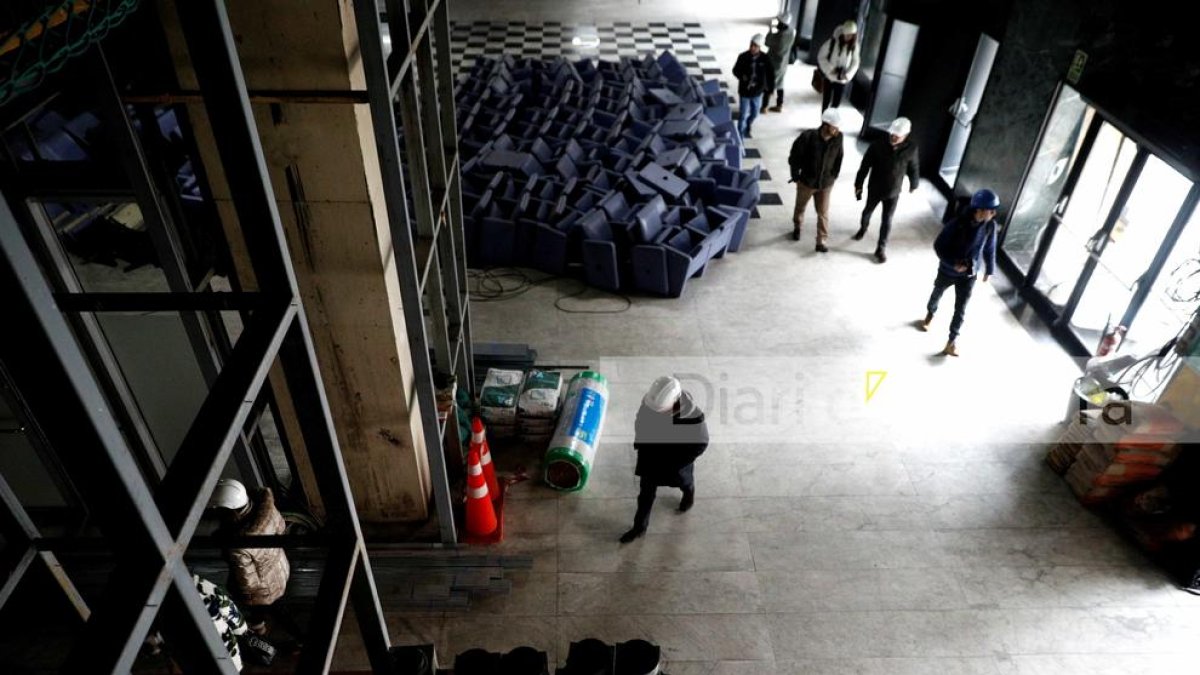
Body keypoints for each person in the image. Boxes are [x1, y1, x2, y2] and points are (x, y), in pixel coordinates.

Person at [620, 376, 710, 543]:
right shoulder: (651, 403)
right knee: (645, 495)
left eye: (659, 410)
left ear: (674, 403)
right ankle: (639, 528)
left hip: (675, 465)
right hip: (650, 459)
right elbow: (640, 419)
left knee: (684, 483)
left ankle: (688, 495)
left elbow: (701, 444)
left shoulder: (694, 419)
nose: (654, 411)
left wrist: (677, 462)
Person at [919, 189, 1001, 356]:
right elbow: (939, 246)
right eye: (990, 209)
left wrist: (989, 269)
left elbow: (990, 249)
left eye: (994, 210)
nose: (993, 213)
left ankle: (952, 341)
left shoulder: (990, 226)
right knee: (937, 293)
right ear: (979, 209)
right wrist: (953, 263)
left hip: (969, 274)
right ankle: (930, 313)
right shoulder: (957, 223)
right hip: (948, 271)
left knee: (961, 309)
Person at [209, 478, 291, 636]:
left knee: (271, 608)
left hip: (264, 587)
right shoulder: (266, 509)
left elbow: (247, 582)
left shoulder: (239, 544)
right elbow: (281, 526)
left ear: (229, 511)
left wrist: (244, 597)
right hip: (279, 568)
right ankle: (259, 625)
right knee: (272, 608)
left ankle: (294, 637)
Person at [853, 117, 920, 263]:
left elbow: (913, 167)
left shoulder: (911, 149)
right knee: (867, 212)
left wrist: (914, 184)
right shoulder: (877, 145)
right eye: (892, 134)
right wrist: (858, 184)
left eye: (897, 135)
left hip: (893, 192)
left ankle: (880, 249)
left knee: (887, 220)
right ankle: (863, 228)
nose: (893, 137)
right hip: (875, 188)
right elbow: (864, 166)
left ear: (906, 135)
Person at [788, 108, 844, 252]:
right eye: (834, 127)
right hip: (807, 182)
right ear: (825, 125)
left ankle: (821, 241)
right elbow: (794, 157)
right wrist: (796, 176)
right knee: (800, 207)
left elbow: (839, 158)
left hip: (825, 184)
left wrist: (834, 176)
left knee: (823, 213)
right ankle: (797, 226)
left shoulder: (838, 138)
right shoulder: (807, 137)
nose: (837, 130)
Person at [732, 34, 775, 139]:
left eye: (755, 46)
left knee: (755, 113)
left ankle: (748, 125)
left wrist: (770, 89)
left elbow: (771, 74)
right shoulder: (743, 57)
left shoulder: (765, 59)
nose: (752, 48)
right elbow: (735, 70)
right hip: (745, 92)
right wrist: (742, 76)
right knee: (742, 115)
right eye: (751, 45)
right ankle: (740, 136)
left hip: (757, 92)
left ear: (759, 47)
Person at [817, 20, 860, 111]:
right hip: (829, 77)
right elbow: (821, 56)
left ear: (853, 35)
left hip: (842, 79)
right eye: (846, 34)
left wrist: (848, 75)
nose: (847, 37)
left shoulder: (854, 46)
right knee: (826, 102)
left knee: (836, 104)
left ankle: (830, 124)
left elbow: (855, 62)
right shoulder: (832, 42)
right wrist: (830, 69)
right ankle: (824, 124)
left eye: (850, 35)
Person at [762, 14, 796, 112]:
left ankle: (764, 106)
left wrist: (770, 30)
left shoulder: (779, 36)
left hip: (773, 64)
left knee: (768, 84)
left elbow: (767, 42)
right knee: (780, 84)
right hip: (783, 64)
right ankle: (779, 105)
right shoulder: (791, 33)